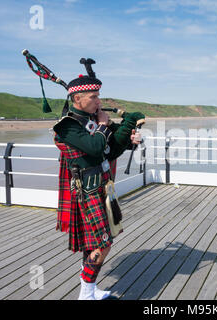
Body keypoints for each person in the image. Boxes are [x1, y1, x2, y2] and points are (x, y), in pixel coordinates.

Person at [52, 71, 145, 300]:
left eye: (98, 96)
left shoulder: (92, 122)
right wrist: (104, 126)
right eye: (93, 97)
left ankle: (90, 290)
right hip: (86, 192)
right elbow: (94, 148)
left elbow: (109, 149)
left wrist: (128, 140)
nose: (98, 101)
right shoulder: (67, 126)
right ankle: (85, 292)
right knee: (103, 243)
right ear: (77, 100)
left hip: (102, 188)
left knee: (93, 243)